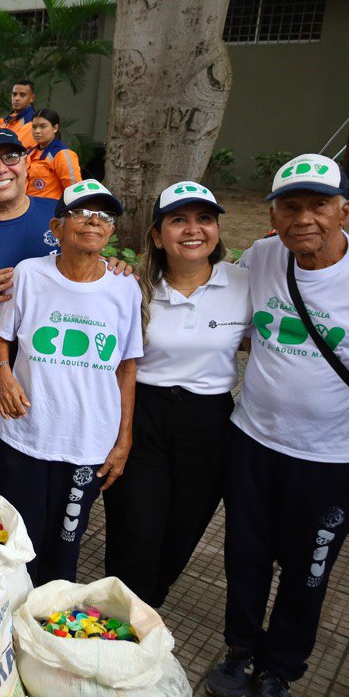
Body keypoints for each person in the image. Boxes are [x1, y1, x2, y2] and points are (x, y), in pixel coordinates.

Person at [205, 154, 349, 697]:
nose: (304, 218)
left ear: (344, 210)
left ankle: (280, 670)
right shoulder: (262, 258)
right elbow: (231, 322)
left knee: (309, 569)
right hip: (253, 442)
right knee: (245, 558)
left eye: (319, 205)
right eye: (290, 206)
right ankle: (240, 652)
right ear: (272, 214)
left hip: (335, 460)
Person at [104, 181, 248, 608]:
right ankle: (121, 616)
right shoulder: (132, 287)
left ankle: (148, 607)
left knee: (183, 530)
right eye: (178, 220)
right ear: (156, 234)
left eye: (204, 219)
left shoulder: (244, 282)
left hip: (208, 422)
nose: (193, 230)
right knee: (135, 528)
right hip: (142, 414)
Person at [0, 180, 141, 584]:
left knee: (66, 543)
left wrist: (123, 440)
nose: (93, 221)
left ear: (111, 232)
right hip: (25, 433)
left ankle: (45, 628)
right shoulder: (29, 274)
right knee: (16, 540)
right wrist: (2, 375)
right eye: (80, 213)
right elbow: (3, 337)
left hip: (87, 441)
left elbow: (127, 367)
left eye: (104, 216)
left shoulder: (125, 287)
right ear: (57, 228)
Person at [26, 108, 81, 200]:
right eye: (34, 127)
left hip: (50, 211)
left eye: (43, 126)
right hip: (27, 208)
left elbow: (75, 191)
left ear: (55, 128)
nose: (37, 131)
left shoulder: (62, 154)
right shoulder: (30, 153)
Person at [1, 79, 37, 148]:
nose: (17, 98)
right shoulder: (7, 120)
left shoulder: (33, 122)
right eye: (14, 94)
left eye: (22, 95)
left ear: (32, 98)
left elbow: (16, 148)